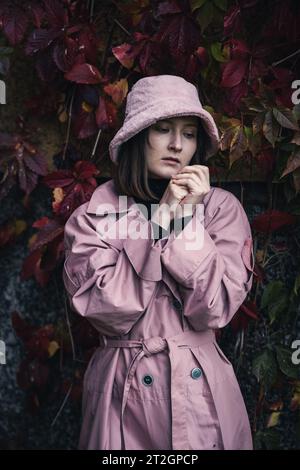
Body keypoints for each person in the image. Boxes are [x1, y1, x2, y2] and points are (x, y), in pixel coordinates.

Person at [63, 74, 255, 450]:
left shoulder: (220, 211)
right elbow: (109, 310)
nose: (176, 145)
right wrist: (160, 219)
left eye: (188, 133)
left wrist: (185, 221)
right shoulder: (94, 216)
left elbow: (214, 309)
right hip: (121, 392)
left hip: (199, 394)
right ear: (137, 137)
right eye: (162, 129)